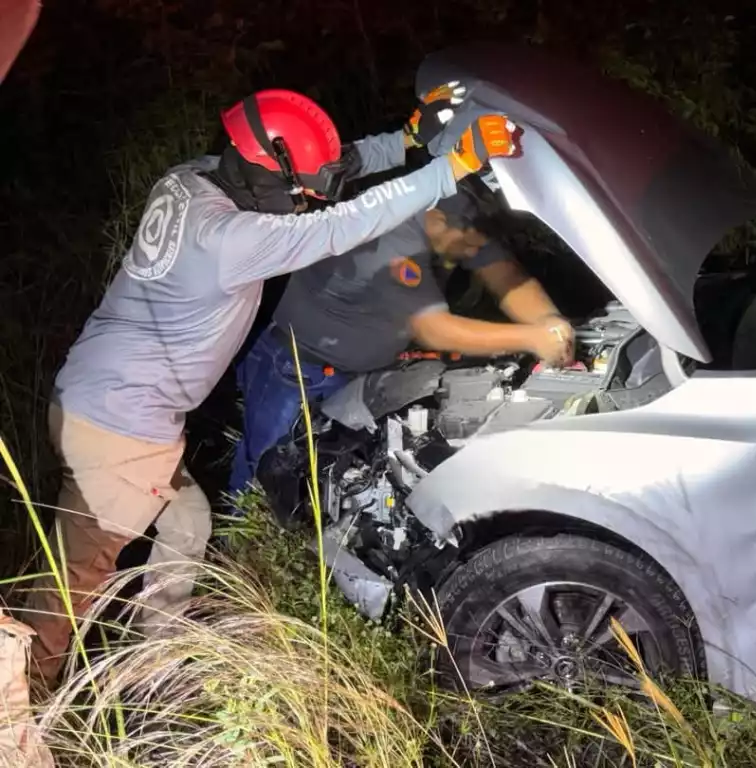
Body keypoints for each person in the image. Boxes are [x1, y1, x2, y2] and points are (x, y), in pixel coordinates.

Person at [23, 84, 519, 686]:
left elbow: (327, 173)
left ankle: (158, 658)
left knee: (187, 524)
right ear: (267, 171)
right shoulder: (232, 239)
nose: (302, 200)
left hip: (90, 394)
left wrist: (406, 140)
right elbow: (342, 223)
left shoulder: (193, 178)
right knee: (69, 587)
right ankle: (20, 705)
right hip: (122, 431)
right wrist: (450, 168)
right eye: (296, 190)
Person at [228, 185, 572, 498]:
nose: (473, 251)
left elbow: (505, 272)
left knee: (328, 467)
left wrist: (550, 323)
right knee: (269, 470)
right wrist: (531, 338)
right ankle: (237, 531)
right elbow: (433, 328)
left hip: (354, 371)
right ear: (435, 218)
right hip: (298, 369)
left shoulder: (454, 224)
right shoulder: (391, 238)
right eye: (469, 240)